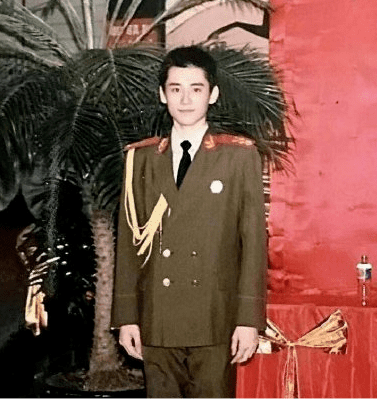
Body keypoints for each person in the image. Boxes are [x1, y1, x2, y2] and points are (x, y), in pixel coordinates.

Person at [112, 45, 267, 399]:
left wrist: (248, 320)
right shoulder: (141, 159)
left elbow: (253, 243)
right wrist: (127, 316)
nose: (185, 100)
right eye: (175, 89)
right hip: (157, 317)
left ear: (212, 94)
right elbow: (129, 243)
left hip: (214, 317)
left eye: (196, 89)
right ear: (162, 94)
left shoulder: (238, 158)